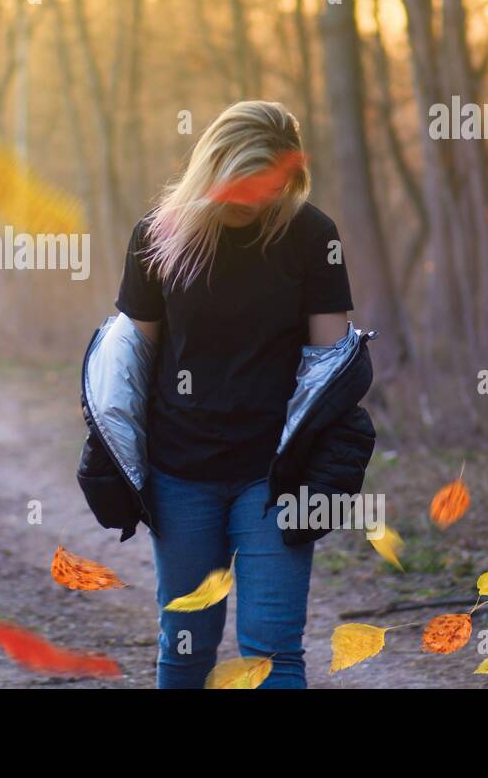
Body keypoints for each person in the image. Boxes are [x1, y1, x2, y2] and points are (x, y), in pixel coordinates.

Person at [77, 99, 375, 689]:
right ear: (213, 165)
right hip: (179, 473)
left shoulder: (312, 236)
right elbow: (129, 364)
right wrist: (111, 453)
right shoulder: (158, 235)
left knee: (273, 654)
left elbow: (332, 369)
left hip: (275, 477)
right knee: (187, 648)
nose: (251, 199)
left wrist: (329, 468)